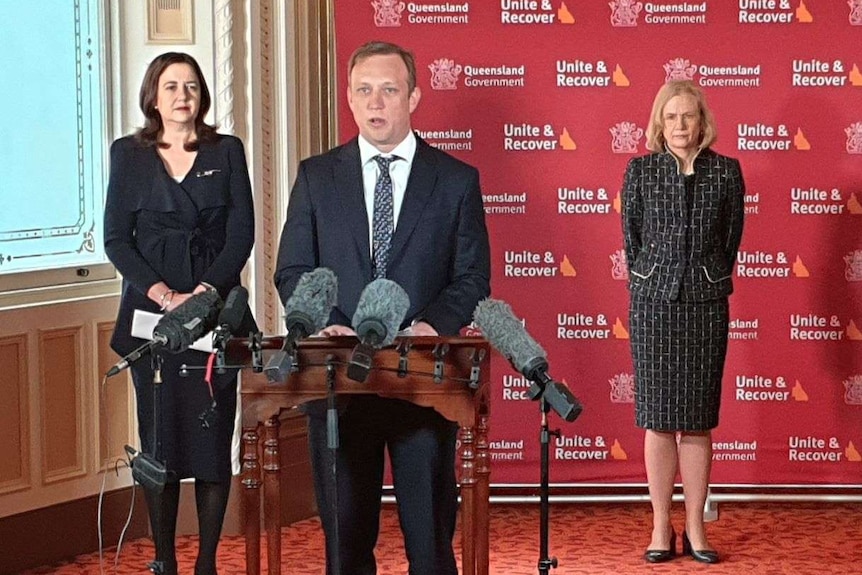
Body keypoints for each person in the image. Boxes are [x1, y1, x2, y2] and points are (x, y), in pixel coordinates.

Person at [274, 41, 491, 575]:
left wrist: (429, 324)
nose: (377, 103)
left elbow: (471, 276)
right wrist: (325, 320)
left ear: (413, 96)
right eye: (365, 90)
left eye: (390, 90)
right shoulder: (316, 176)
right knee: (344, 549)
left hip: (422, 383)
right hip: (338, 385)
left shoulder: (456, 180)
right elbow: (293, 269)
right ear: (348, 98)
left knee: (431, 546)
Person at [104, 52, 255, 575]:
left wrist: (206, 293)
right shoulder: (128, 155)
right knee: (160, 443)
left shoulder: (227, 151)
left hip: (216, 316)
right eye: (171, 86)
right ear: (153, 95)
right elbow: (116, 240)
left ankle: (207, 561)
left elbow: (242, 234)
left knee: (214, 443)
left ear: (202, 96)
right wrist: (167, 295)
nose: (182, 96)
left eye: (191, 86)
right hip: (152, 320)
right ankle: (164, 558)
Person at [621, 80, 745, 565]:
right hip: (652, 303)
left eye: (687, 117)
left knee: (695, 420)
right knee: (656, 418)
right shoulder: (641, 172)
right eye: (670, 117)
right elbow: (632, 239)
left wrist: (703, 275)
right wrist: (656, 276)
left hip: (706, 302)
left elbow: (731, 238)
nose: (678, 126)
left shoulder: (726, 173)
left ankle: (695, 525)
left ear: (702, 122)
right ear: (659, 122)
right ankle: (659, 525)